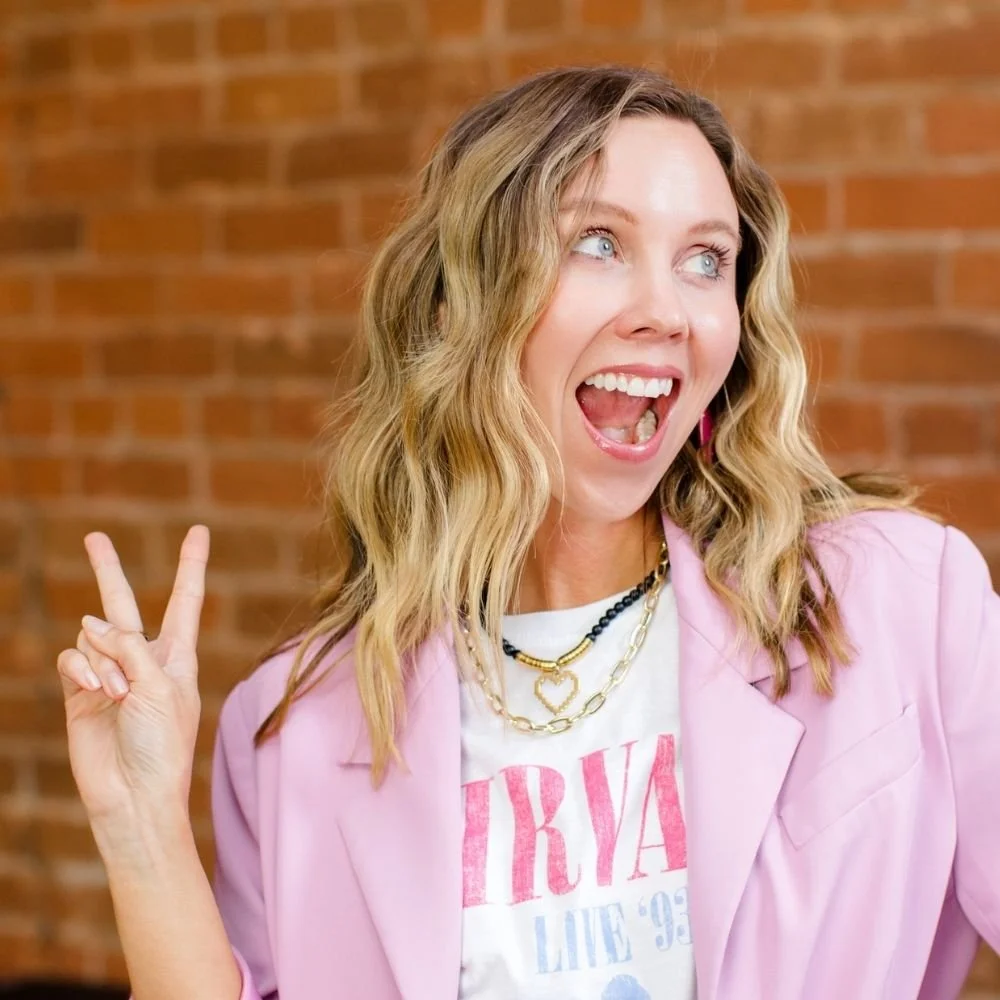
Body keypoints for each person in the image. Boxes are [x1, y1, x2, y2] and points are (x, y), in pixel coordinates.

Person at [57, 66, 999, 1000]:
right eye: (599, 242)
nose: (667, 312)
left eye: (707, 260)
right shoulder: (296, 726)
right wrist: (141, 829)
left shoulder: (900, 601)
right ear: (458, 305)